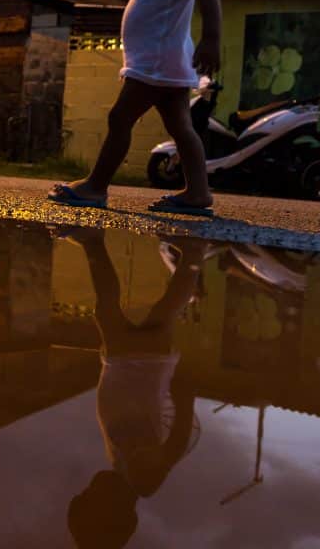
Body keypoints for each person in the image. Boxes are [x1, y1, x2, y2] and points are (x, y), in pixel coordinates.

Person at [48, 0, 221, 216]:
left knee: (119, 119)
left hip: (156, 63)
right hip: (165, 61)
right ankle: (198, 193)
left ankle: (96, 187)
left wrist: (212, 39)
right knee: (181, 127)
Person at [64, 228, 205, 548]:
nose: (89, 487)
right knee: (132, 311)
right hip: (136, 370)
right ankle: (95, 244)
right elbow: (175, 446)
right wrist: (185, 402)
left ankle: (192, 256)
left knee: (158, 312)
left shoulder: (126, 475)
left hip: (132, 369)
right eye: (90, 497)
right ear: (111, 512)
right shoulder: (143, 481)